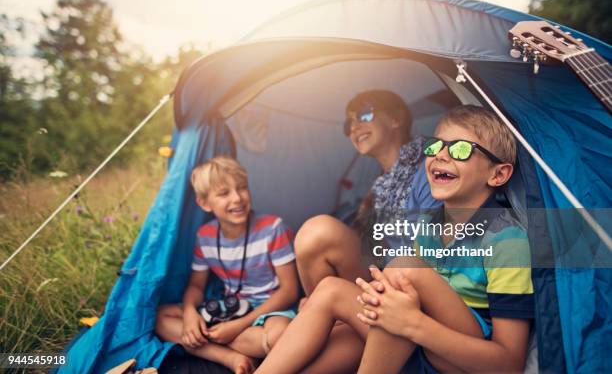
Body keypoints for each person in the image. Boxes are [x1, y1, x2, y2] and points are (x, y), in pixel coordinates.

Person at [256, 105, 533, 373]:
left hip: (455, 357)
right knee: (329, 290)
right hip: (413, 342)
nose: (441, 156)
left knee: (404, 270)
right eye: (434, 146)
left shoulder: (506, 240)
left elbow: (508, 364)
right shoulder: (429, 222)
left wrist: (412, 324)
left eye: (460, 149)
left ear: (498, 174)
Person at [260, 90, 439, 372]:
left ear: (396, 118)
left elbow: (428, 252)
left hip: (417, 298)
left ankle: (333, 320)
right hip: (379, 289)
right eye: (348, 125)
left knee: (318, 233)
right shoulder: (379, 187)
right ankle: (333, 320)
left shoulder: (431, 164)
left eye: (365, 115)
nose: (354, 127)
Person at [155, 156, 300, 374]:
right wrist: (190, 315)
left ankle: (213, 340)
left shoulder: (272, 228)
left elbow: (290, 291)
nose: (237, 198)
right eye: (224, 193)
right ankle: (231, 357)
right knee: (161, 317)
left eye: (241, 188)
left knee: (282, 335)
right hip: (230, 309)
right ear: (204, 203)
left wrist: (238, 327)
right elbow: (196, 286)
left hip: (270, 310)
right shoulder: (205, 236)